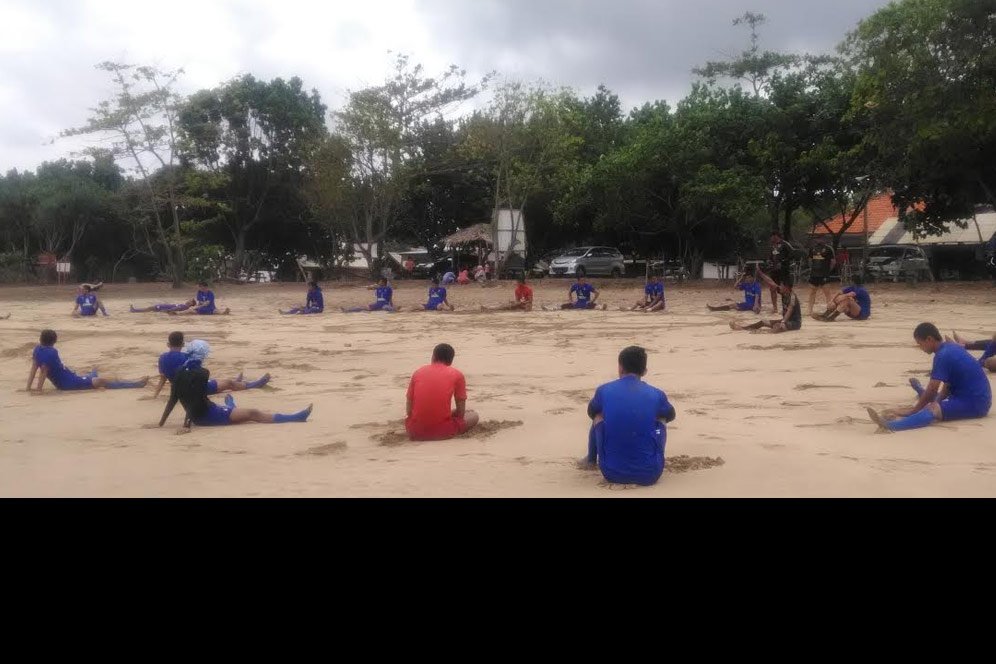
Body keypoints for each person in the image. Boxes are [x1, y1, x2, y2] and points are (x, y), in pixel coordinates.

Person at [577, 346, 676, 486]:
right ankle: (653, 454)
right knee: (661, 418)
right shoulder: (656, 394)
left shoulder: (603, 390)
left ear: (620, 368)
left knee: (598, 415)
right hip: (651, 474)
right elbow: (671, 415)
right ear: (644, 371)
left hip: (611, 473)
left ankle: (591, 459)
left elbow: (591, 412)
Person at [867, 323, 991, 433]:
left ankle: (891, 426)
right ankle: (920, 391)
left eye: (920, 344)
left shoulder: (942, 355)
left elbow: (932, 389)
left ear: (929, 339)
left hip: (975, 404)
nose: (920, 348)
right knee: (932, 402)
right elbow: (947, 387)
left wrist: (914, 410)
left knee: (932, 408)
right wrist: (936, 400)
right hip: (978, 399)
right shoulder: (949, 348)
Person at [159, 341, 311, 429]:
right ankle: (295, 417)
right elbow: (196, 399)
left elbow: (173, 398)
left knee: (240, 411)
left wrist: (161, 423)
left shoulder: (179, 371)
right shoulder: (202, 372)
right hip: (207, 416)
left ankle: (231, 406)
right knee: (253, 414)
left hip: (204, 412)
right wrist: (187, 425)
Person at [152, 334, 270, 399]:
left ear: (168, 344)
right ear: (182, 344)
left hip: (178, 390)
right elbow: (198, 376)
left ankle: (236, 383)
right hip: (195, 389)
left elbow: (162, 378)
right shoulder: (186, 358)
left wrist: (155, 395)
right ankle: (253, 385)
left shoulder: (162, 358)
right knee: (228, 383)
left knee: (221, 381)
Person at [26, 329, 148, 393]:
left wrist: (28, 387)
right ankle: (137, 384)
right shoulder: (52, 352)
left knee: (91, 376)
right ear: (54, 341)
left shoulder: (37, 349)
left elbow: (34, 368)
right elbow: (44, 372)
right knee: (101, 381)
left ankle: (93, 373)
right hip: (69, 383)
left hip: (69, 378)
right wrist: (39, 390)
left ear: (40, 339)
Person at [405, 343, 479, 441]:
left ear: (433, 357)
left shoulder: (418, 372)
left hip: (414, 432)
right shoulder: (457, 374)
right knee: (473, 415)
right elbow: (461, 413)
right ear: (451, 361)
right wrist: (456, 414)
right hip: (443, 432)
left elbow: (409, 411)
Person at [730, 268, 801, 333]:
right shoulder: (783, 292)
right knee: (763, 322)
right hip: (785, 320)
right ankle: (742, 328)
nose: (780, 287)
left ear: (787, 287)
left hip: (794, 323)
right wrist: (761, 273)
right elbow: (771, 282)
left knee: (778, 326)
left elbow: (789, 311)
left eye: (781, 285)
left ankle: (764, 332)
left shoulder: (792, 297)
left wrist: (783, 321)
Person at [807, 239, 835, 315]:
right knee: (812, 292)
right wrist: (811, 269)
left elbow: (833, 262)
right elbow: (809, 260)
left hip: (824, 274)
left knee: (827, 293)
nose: (819, 240)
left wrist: (827, 271)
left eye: (821, 238)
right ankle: (809, 310)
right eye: (818, 238)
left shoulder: (829, 249)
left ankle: (830, 310)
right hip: (814, 274)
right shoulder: (812, 248)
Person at [767, 232, 793, 314]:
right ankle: (775, 308)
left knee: (783, 289)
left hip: (783, 271)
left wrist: (783, 262)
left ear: (775, 236)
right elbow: (771, 256)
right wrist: (769, 261)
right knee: (772, 288)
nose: (771, 239)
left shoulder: (785, 244)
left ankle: (785, 307)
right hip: (773, 270)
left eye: (771, 237)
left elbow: (792, 254)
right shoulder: (772, 246)